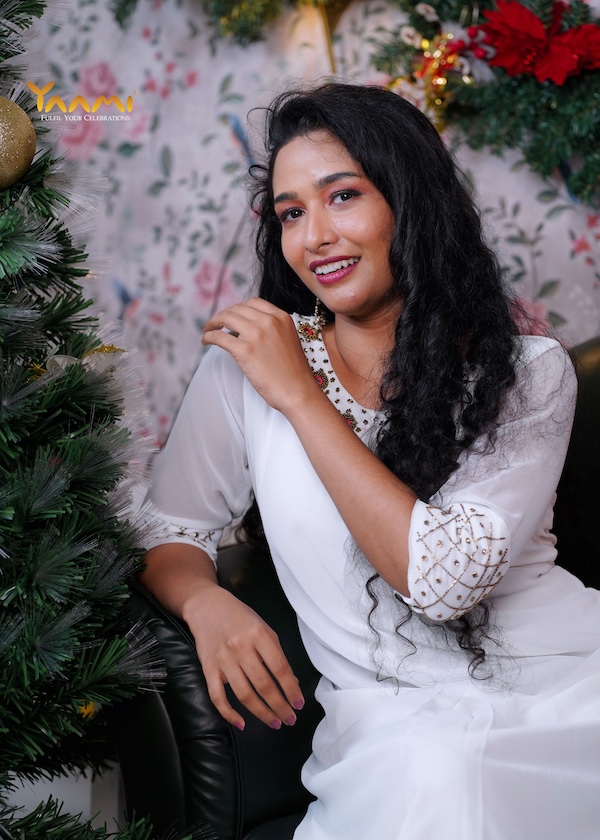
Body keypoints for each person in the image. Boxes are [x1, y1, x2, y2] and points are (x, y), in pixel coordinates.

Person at [140, 82, 600, 839]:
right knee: (443, 778)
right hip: (398, 730)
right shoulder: (245, 369)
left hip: (567, 694)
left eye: (343, 196)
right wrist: (203, 601)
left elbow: (443, 581)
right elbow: (167, 526)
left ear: (408, 201)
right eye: (291, 213)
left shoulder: (527, 370)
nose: (315, 236)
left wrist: (302, 398)